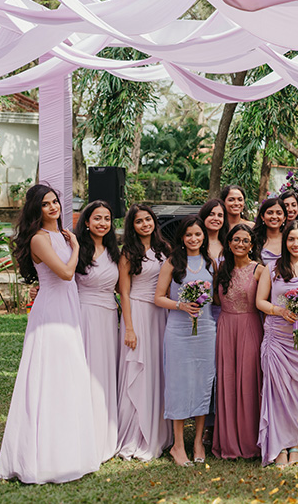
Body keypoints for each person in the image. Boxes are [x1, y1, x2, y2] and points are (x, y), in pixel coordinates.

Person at [0, 185, 99, 484]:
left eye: (55, 202)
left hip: (68, 307)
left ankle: (70, 451)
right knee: (49, 376)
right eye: (45, 204)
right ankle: (42, 455)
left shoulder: (62, 234)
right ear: (36, 209)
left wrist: (72, 241)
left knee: (68, 375)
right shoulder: (39, 239)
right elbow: (66, 274)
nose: (53, 207)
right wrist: (77, 247)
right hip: (51, 311)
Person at [255, 221, 298, 467]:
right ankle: (279, 446)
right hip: (278, 337)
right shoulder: (272, 268)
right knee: (278, 392)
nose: (296, 244)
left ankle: (295, 443)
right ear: (285, 242)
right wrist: (278, 310)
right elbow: (259, 301)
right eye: (291, 239)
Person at [154, 216, 216, 467]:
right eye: (189, 235)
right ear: (182, 237)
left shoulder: (211, 263)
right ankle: (178, 445)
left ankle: (198, 441)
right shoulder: (172, 262)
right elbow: (158, 297)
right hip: (178, 331)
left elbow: (216, 298)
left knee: (203, 383)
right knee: (179, 385)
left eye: (198, 235)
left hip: (205, 330)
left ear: (204, 237)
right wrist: (180, 305)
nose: (193, 239)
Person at [115, 204, 172, 461]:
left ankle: (158, 431)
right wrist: (129, 327)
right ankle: (134, 434)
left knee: (158, 370)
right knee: (137, 370)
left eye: (148, 219)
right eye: (139, 221)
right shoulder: (128, 253)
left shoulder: (165, 249)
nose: (145, 224)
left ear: (154, 222)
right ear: (132, 226)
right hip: (137, 313)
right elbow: (123, 292)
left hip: (161, 314)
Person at [212, 224, 265, 460]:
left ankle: (250, 441)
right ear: (229, 243)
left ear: (252, 245)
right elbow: (214, 299)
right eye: (236, 240)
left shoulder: (260, 271)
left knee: (249, 381)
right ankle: (229, 442)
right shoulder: (221, 268)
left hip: (250, 326)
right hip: (225, 327)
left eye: (245, 240)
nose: (240, 244)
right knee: (228, 382)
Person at [74, 200, 121, 465]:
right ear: (87, 221)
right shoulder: (77, 247)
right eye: (97, 218)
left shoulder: (116, 252)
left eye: (107, 218)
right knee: (84, 370)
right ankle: (82, 430)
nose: (102, 223)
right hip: (82, 314)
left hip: (106, 316)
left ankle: (104, 431)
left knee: (104, 372)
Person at [253, 197, 287, 268]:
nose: (274, 216)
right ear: (262, 217)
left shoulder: (289, 238)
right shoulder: (254, 240)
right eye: (270, 213)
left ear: (284, 218)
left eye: (279, 213)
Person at [200, 199, 229, 265]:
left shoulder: (228, 244)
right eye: (211, 214)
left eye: (220, 215)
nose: (216, 218)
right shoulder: (196, 242)